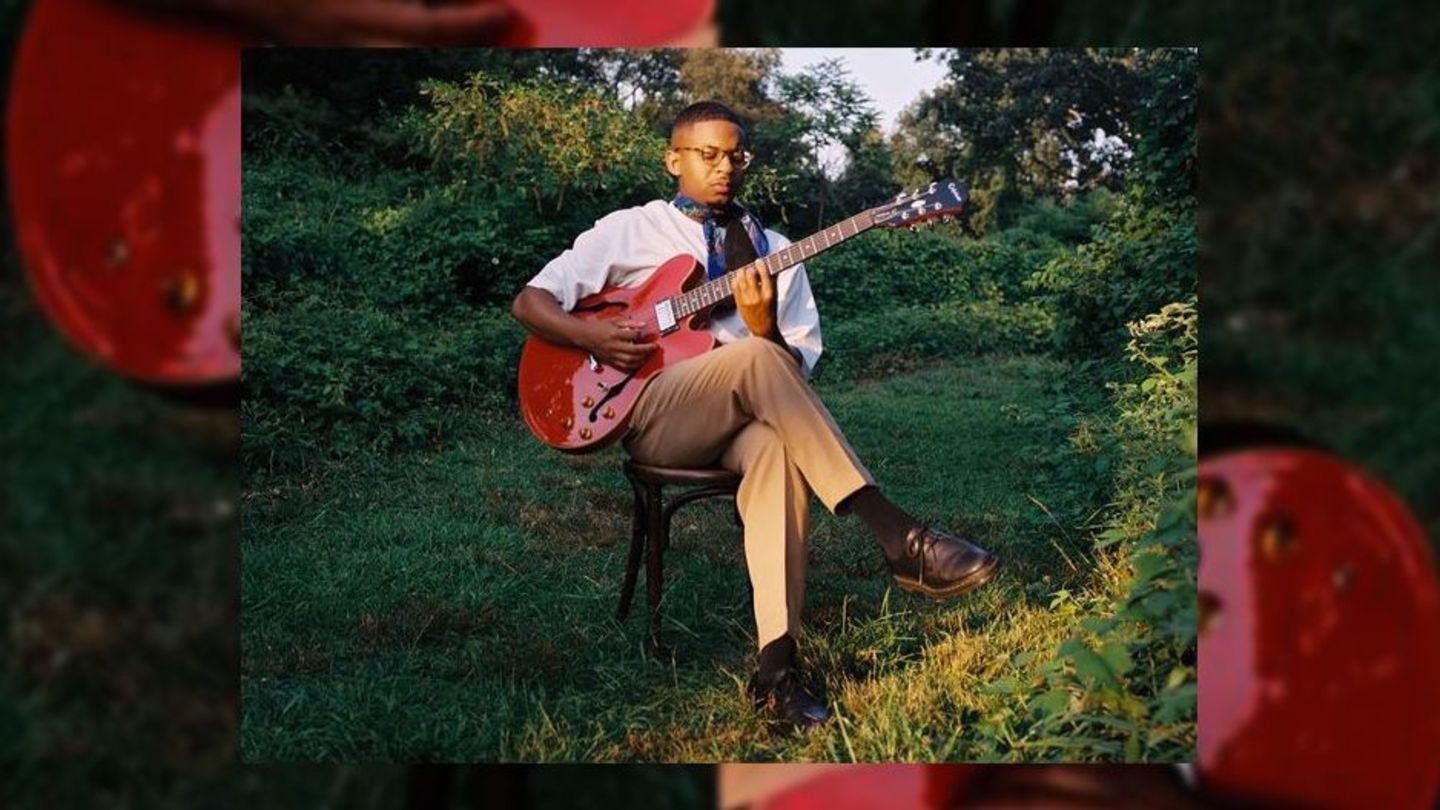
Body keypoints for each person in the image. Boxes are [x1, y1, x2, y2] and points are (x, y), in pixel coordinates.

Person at [510, 101, 1000, 731]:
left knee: (775, 445)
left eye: (735, 156)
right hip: (651, 409)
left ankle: (777, 673)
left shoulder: (775, 252)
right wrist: (595, 339)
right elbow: (530, 302)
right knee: (754, 359)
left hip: (743, 422)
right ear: (674, 160)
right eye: (707, 155)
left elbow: (795, 379)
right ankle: (898, 535)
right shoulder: (631, 230)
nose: (724, 168)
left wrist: (766, 326)